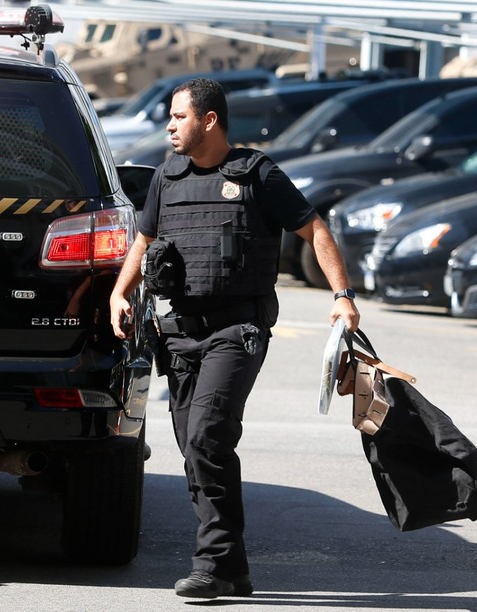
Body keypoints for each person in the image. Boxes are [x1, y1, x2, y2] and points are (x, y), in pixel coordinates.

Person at [108, 78, 360, 599]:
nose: (170, 126)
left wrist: (342, 294)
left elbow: (314, 229)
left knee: (207, 438)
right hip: (177, 334)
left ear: (209, 121)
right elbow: (145, 238)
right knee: (194, 449)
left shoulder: (257, 175)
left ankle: (211, 564)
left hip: (235, 330)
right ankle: (234, 567)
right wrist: (120, 291)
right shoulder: (166, 176)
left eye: (178, 117)